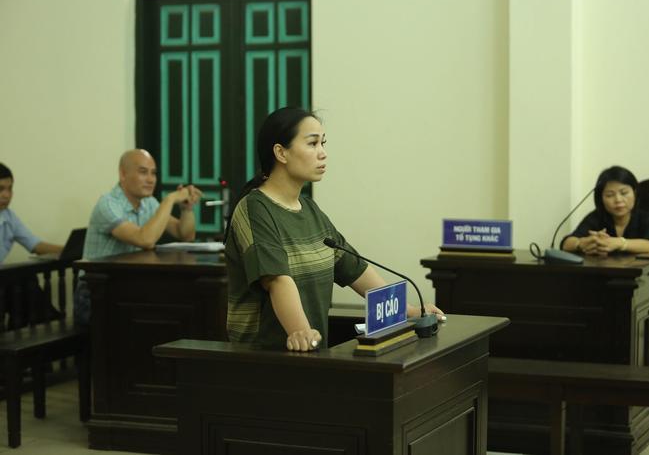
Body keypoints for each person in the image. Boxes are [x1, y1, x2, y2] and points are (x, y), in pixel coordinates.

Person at [225, 107, 445, 352]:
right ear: (281, 152)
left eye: (323, 143)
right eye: (312, 143)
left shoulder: (310, 210)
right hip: (262, 357)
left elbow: (355, 269)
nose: (323, 153)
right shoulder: (254, 209)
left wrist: (408, 311)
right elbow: (277, 280)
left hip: (312, 353)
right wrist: (300, 331)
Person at [74, 149, 203, 325]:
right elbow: (145, 240)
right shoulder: (107, 204)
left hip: (129, 285)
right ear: (123, 174)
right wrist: (170, 199)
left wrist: (186, 208)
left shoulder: (148, 203)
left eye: (153, 173)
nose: (151, 180)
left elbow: (185, 235)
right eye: (143, 172)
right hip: (95, 291)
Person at [561, 165, 649, 256]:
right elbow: (566, 243)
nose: (618, 200)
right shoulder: (596, 217)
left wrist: (620, 243)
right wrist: (581, 243)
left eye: (624, 193)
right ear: (601, 198)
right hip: (604, 270)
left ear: (635, 193)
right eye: (610, 195)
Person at [0, 162, 63, 263]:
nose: (6, 195)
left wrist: (72, 250)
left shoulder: (8, 216)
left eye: (10, 189)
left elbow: (35, 245)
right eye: (0, 189)